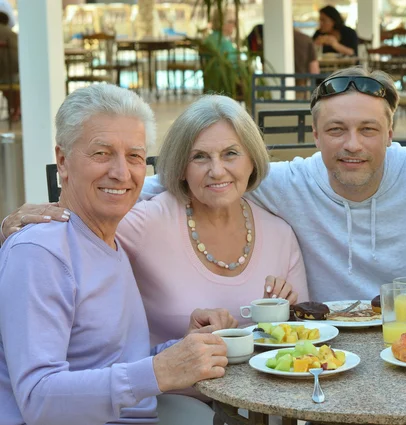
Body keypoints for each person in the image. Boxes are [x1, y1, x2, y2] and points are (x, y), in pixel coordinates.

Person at [3, 68, 406, 304]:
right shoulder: (281, 182)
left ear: (393, 131)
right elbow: (193, 179)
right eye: (335, 129)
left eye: (369, 130)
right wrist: (66, 212)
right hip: (324, 348)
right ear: (311, 132)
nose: (352, 145)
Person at [0, 84, 237, 425]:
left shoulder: (109, 241)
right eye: (101, 153)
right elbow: (39, 399)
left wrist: (184, 349)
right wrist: (159, 371)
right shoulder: (41, 253)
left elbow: (117, 364)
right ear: (63, 162)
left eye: (135, 157)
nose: (122, 173)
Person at [116, 94, 308, 347]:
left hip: (262, 384)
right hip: (173, 385)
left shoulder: (280, 233)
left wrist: (284, 315)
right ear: (181, 167)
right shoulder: (145, 223)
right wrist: (52, 214)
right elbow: (80, 234)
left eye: (230, 154)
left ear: (252, 160)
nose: (216, 171)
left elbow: (303, 335)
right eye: (200, 157)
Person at [247, 24, 320, 75]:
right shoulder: (305, 39)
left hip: (273, 88)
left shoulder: (267, 39)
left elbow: (264, 68)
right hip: (302, 88)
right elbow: (314, 71)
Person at [0, 11, 19, 121]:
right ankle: (15, 111)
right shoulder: (13, 35)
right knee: (17, 84)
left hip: (3, 74)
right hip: (11, 75)